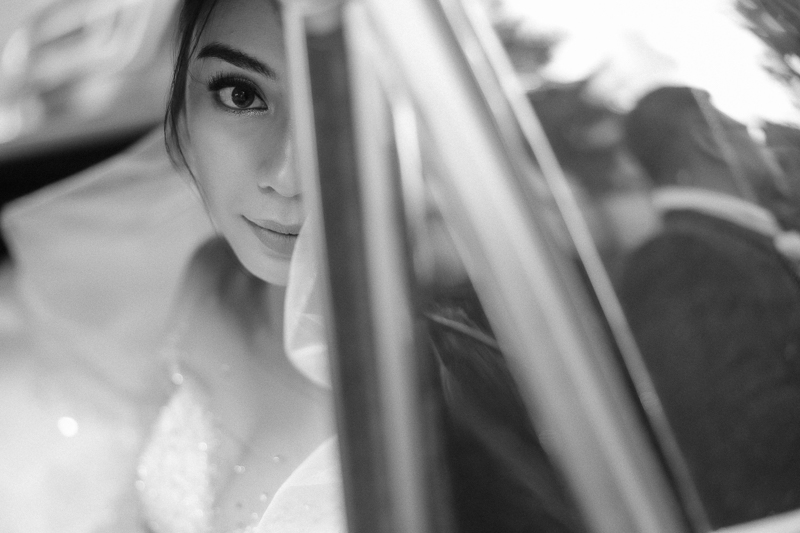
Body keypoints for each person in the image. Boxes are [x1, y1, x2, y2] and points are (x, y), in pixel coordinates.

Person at [618, 85, 800, 527]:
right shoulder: (682, 259)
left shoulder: (721, 247)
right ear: (710, 140)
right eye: (749, 133)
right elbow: (745, 437)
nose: (769, 150)